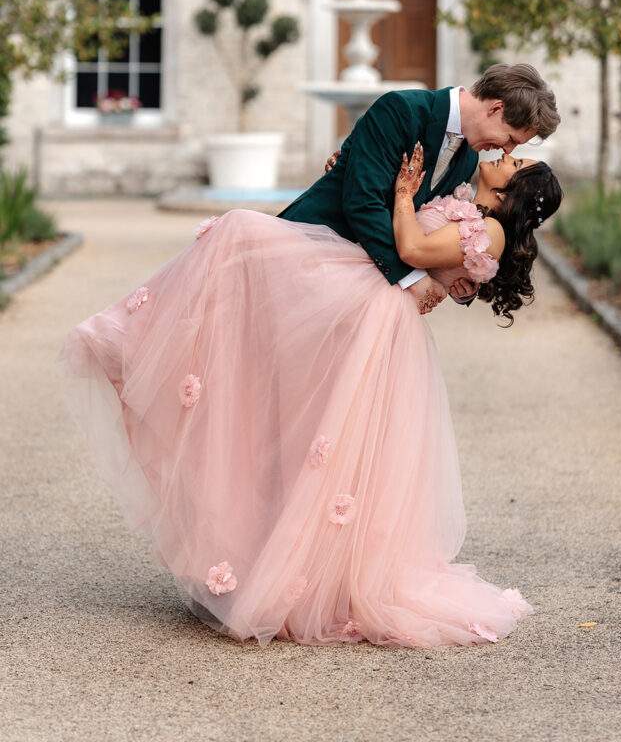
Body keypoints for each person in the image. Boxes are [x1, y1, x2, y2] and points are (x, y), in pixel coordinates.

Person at [58, 129, 562, 650]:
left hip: (378, 318)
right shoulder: (463, 199)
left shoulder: (491, 232)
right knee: (307, 422)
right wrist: (357, 171)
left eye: (517, 160)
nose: (506, 155)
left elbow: (411, 247)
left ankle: (323, 581)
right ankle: (133, 342)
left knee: (336, 442)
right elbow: (422, 257)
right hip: (367, 305)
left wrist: (406, 197)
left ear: (516, 191)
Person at [278, 62, 560, 312]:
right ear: (496, 108)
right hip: (311, 251)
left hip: (356, 294)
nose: (506, 151)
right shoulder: (401, 110)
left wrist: (461, 281)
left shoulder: (468, 159)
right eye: (510, 139)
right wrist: (412, 278)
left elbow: (434, 230)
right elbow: (363, 202)